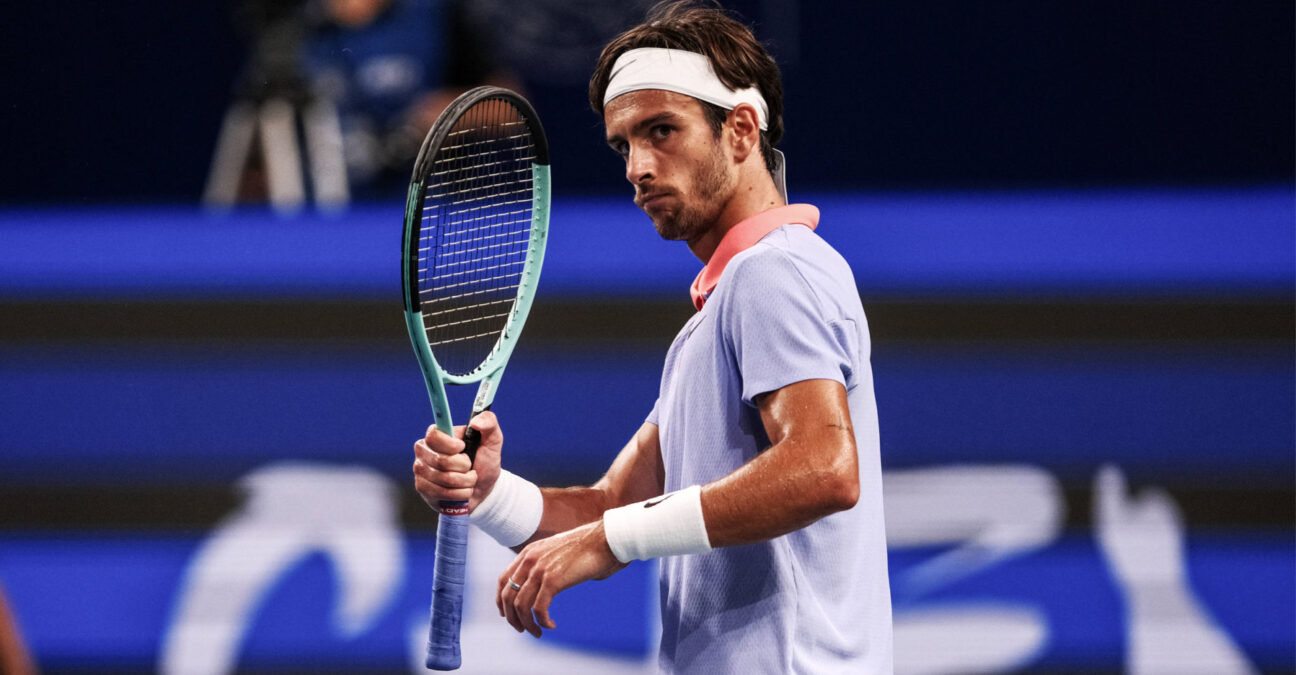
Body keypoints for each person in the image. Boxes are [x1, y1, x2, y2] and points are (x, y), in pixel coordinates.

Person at [412, 1, 893, 672]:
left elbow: (823, 469)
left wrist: (611, 539)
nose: (637, 167)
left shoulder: (775, 272)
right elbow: (616, 502)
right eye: (624, 145)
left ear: (741, 131)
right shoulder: (716, 316)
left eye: (661, 131)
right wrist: (490, 490)